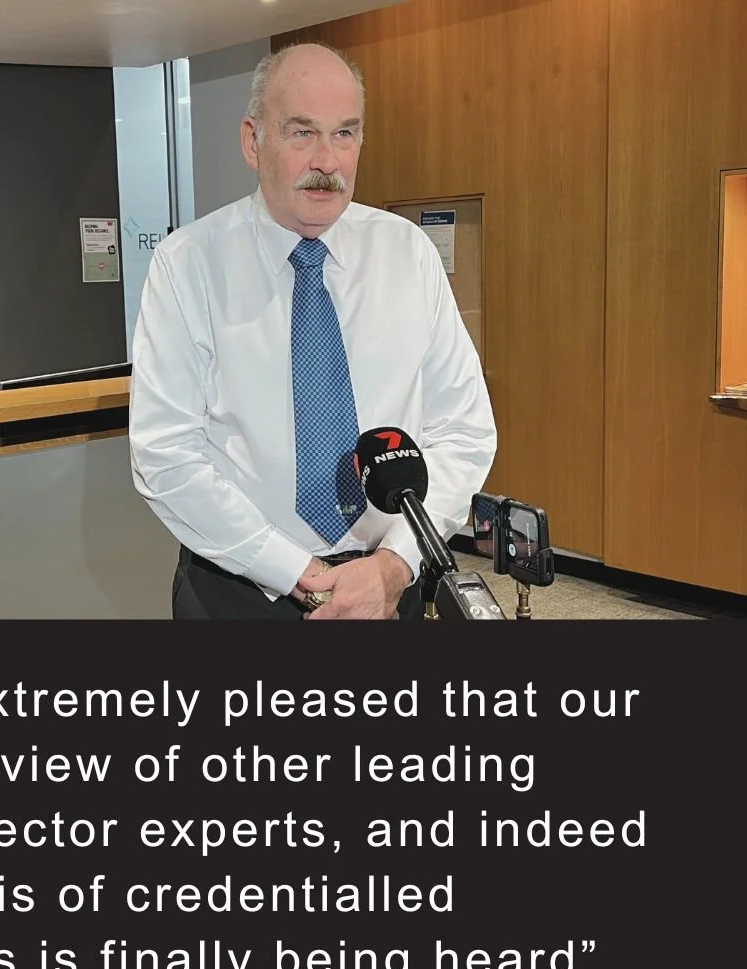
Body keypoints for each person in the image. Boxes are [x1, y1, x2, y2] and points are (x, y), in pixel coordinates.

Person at [129, 42, 496, 620]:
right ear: (254, 141)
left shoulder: (408, 255)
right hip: (241, 591)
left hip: (382, 587)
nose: (327, 159)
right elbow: (166, 454)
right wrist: (297, 572)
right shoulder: (188, 265)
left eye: (345, 133)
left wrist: (395, 565)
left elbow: (465, 430)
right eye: (301, 133)